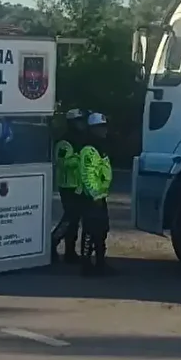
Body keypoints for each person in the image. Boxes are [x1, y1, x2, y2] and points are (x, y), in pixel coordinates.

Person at [77, 112, 115, 276]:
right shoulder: (89, 149)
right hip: (91, 198)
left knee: (101, 231)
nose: (104, 130)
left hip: (100, 196)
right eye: (100, 127)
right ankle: (86, 266)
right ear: (92, 129)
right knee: (90, 231)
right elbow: (87, 174)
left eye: (105, 127)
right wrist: (94, 195)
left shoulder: (100, 147)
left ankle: (100, 263)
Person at [50, 108, 86, 263]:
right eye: (79, 121)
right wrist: (80, 159)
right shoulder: (65, 142)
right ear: (72, 123)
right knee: (70, 218)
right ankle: (52, 242)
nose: (82, 124)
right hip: (67, 186)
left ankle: (70, 251)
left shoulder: (81, 139)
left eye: (82, 121)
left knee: (75, 220)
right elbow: (62, 163)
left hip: (78, 185)